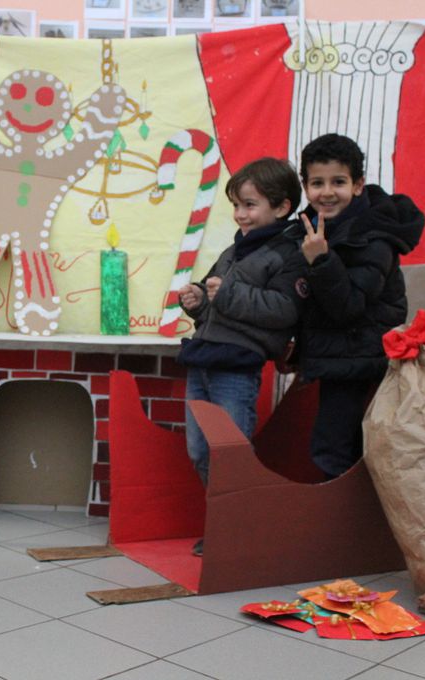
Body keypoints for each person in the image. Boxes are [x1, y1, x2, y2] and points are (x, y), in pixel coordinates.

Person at [176, 157, 306, 556]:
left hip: (237, 367)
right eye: (236, 205)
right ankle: (226, 523)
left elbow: (286, 311)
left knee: (231, 452)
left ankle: (240, 530)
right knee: (199, 448)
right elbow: (217, 303)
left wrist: (225, 294)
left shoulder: (288, 254)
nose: (240, 214)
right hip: (204, 361)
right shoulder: (235, 249)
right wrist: (197, 300)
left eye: (249, 205)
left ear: (281, 207)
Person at [295, 133, 424, 479]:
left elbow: (349, 305)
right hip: (338, 355)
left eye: (338, 182)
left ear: (357, 185)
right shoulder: (314, 228)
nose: (327, 192)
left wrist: (321, 261)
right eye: (317, 183)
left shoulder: (374, 237)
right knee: (337, 447)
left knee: (333, 450)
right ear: (305, 186)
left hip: (361, 361)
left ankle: (339, 530)